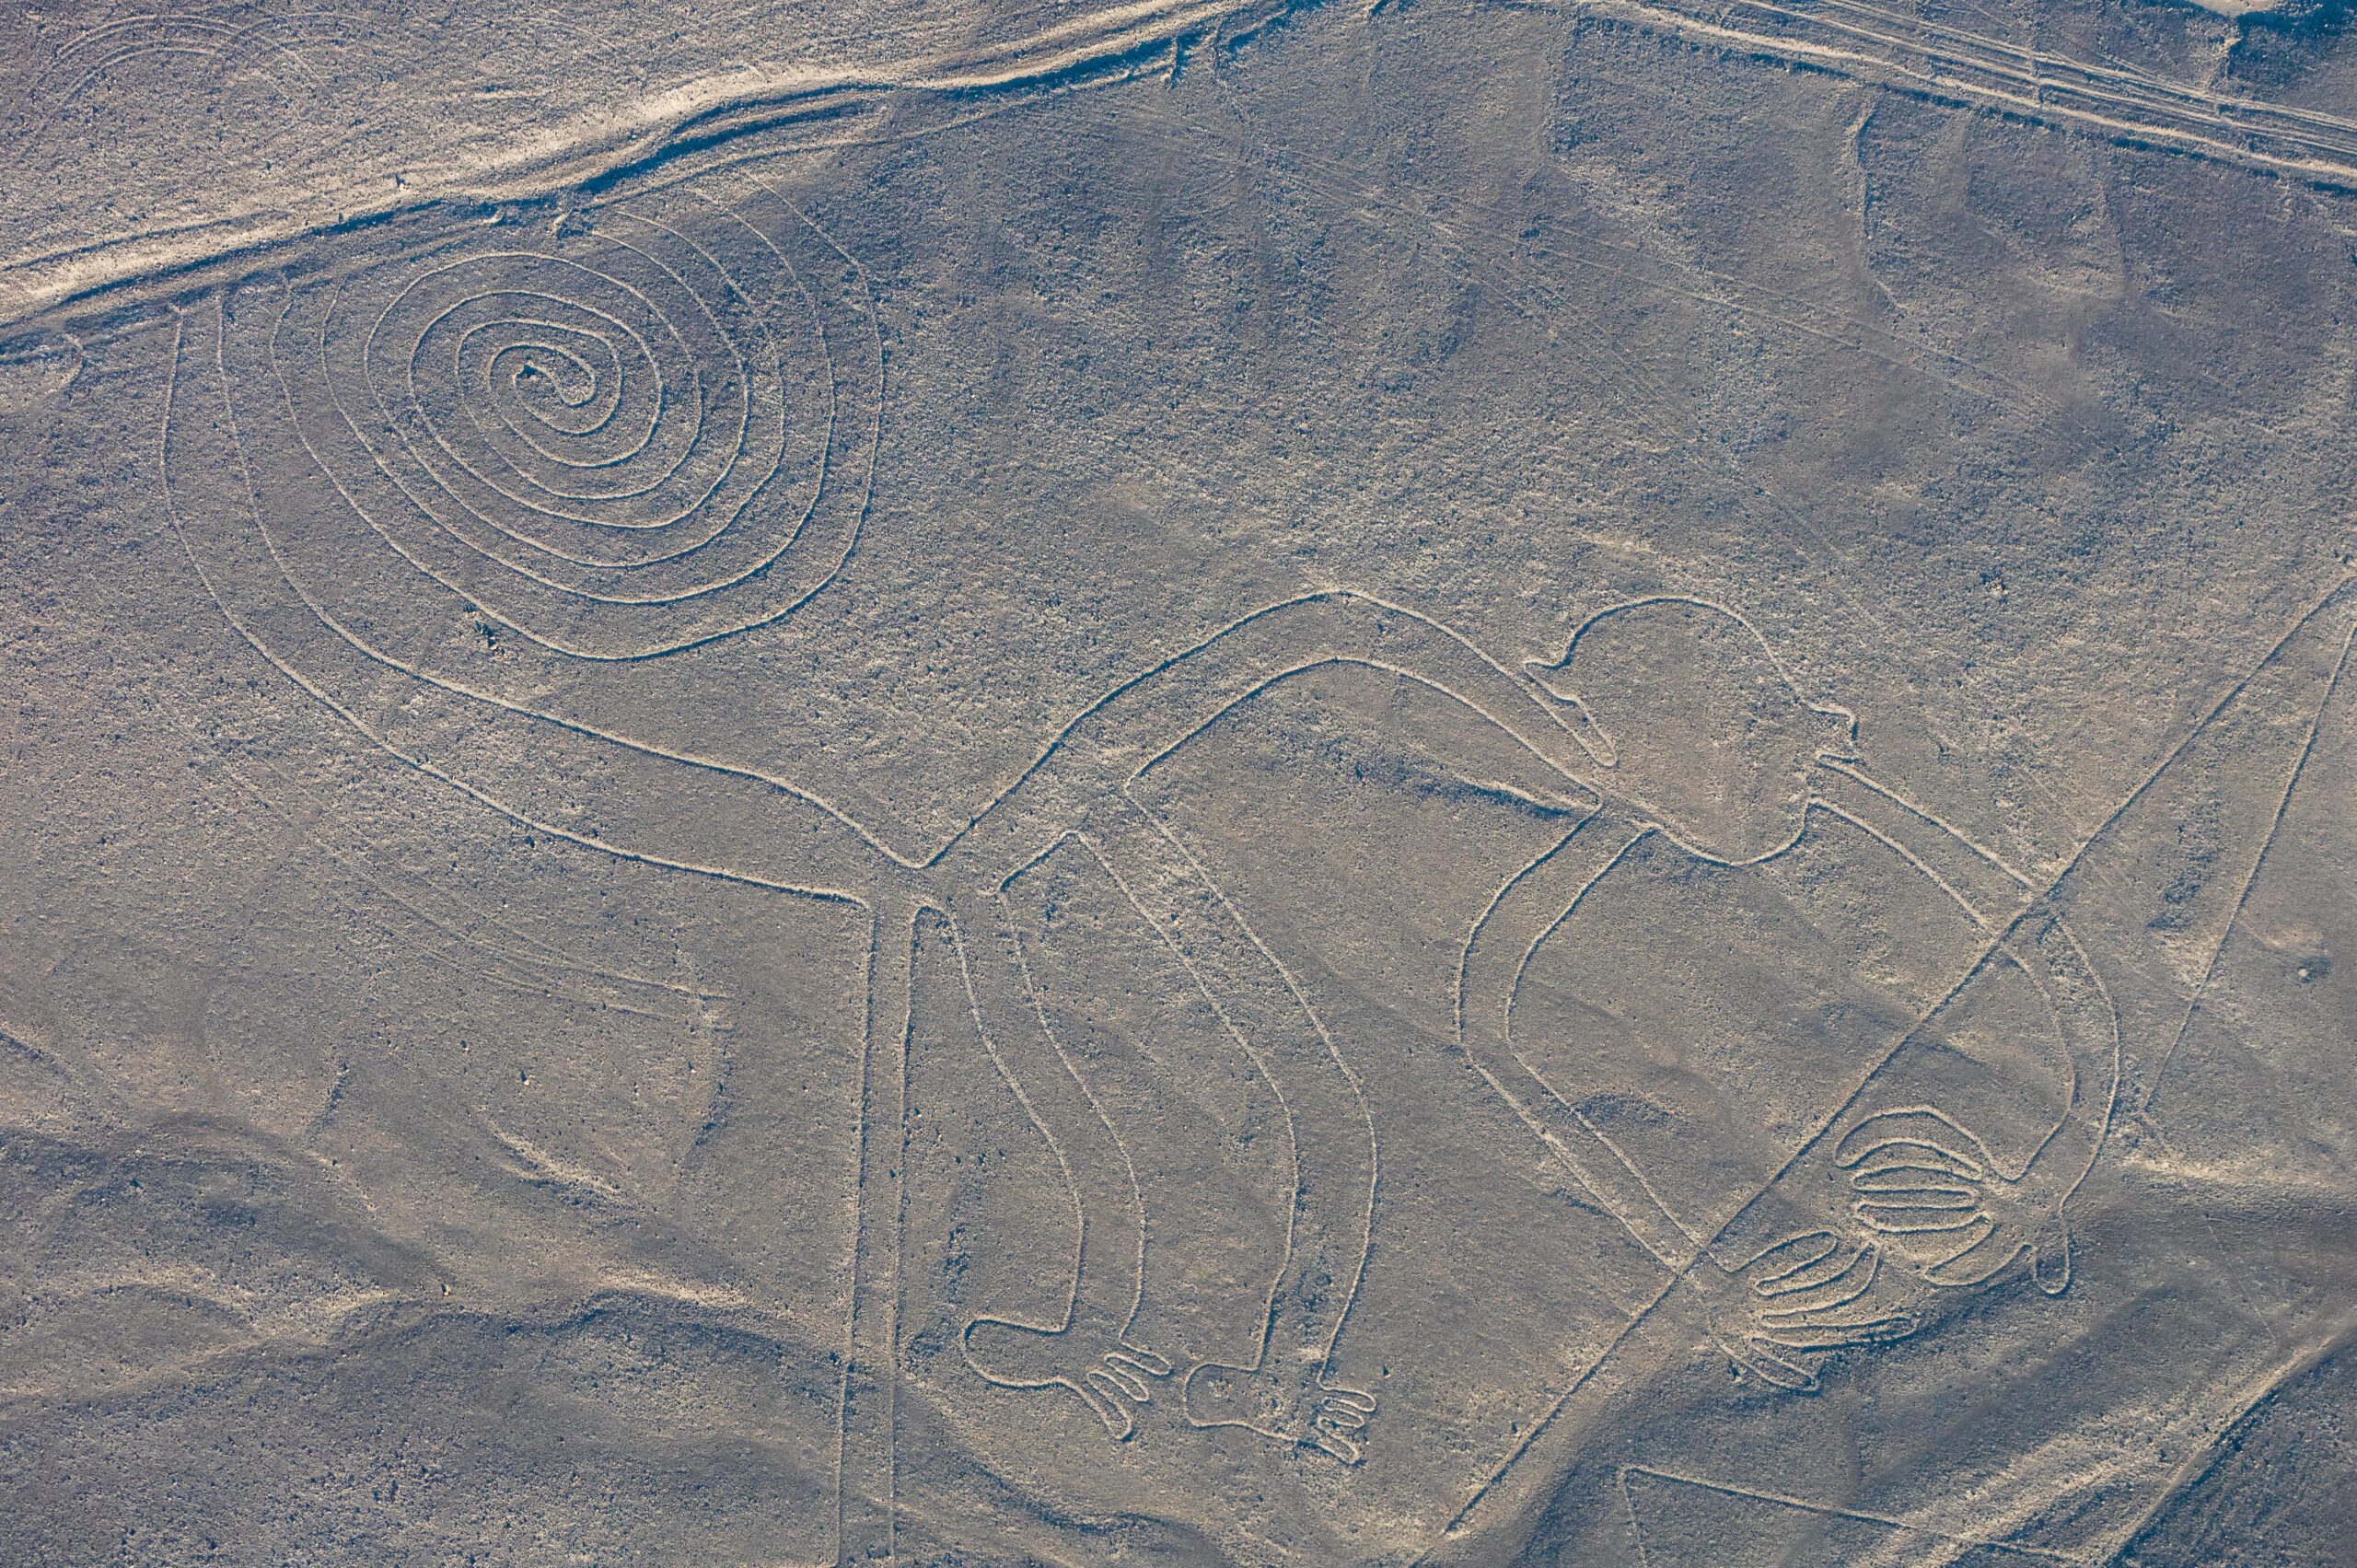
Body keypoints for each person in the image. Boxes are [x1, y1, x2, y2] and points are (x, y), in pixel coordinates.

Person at [1455, 597, 2115, 1391]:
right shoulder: (1532, 941)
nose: (1814, 762)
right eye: (1766, 748)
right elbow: (1509, 1059)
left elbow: (2054, 965)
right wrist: (1709, 1284)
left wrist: (2057, 1168)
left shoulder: (1855, 818)